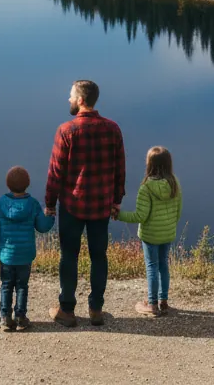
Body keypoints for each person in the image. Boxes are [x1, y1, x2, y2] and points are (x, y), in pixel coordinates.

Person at [44, 80, 125, 327]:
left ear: (80, 100)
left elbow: (55, 172)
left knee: (69, 256)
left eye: (70, 96)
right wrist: (116, 201)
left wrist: (49, 203)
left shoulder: (66, 131)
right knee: (99, 256)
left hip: (72, 205)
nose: (68, 100)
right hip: (100, 206)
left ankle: (67, 310)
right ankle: (96, 309)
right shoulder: (113, 129)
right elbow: (119, 168)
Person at [0, 166, 55, 332]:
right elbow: (42, 227)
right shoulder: (33, 204)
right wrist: (51, 215)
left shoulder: (0, 204)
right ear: (27, 184)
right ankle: (20, 317)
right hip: (25, 256)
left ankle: (5, 318)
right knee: (22, 286)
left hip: (6, 255)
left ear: (8, 185)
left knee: (6, 285)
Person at [116, 146, 183, 317]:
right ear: (169, 164)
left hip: (150, 236)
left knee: (152, 267)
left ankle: (152, 305)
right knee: (163, 266)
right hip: (167, 233)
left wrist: (118, 215)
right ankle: (164, 301)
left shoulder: (146, 187)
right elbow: (178, 210)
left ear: (149, 164)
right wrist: (170, 226)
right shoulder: (174, 183)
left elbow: (140, 215)